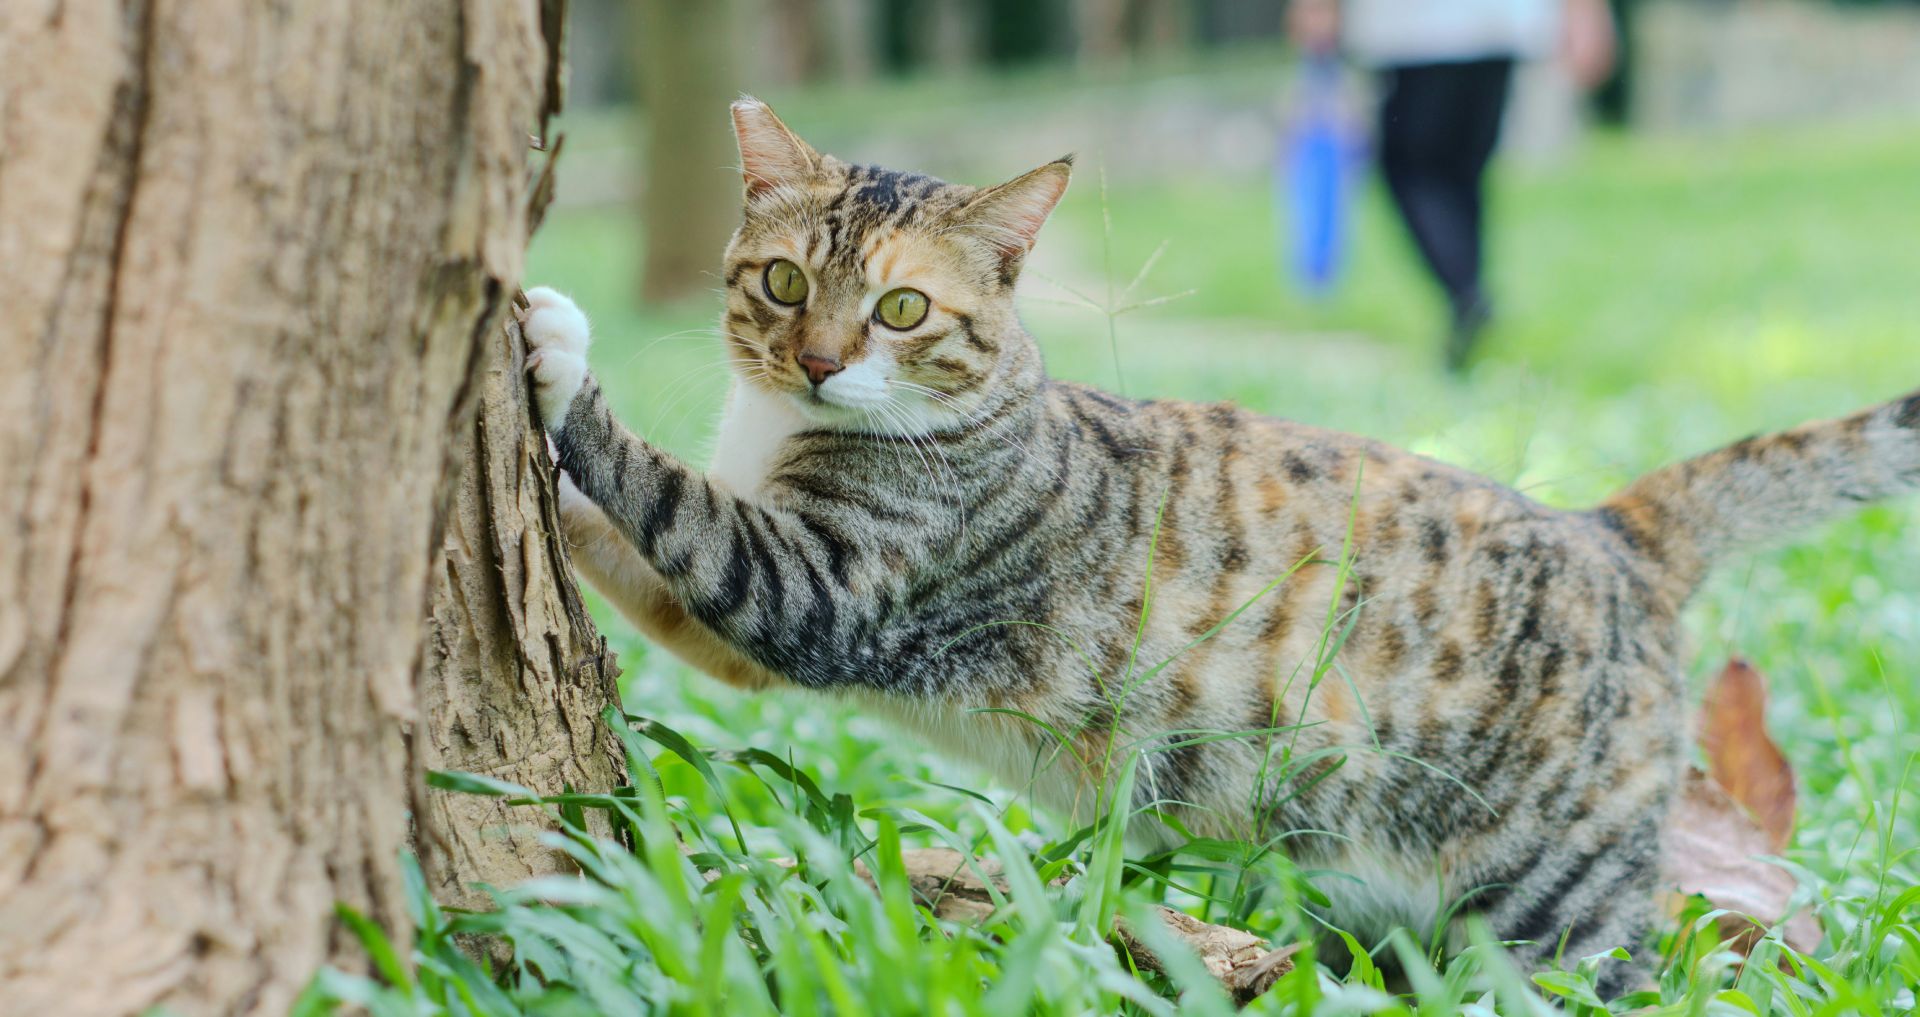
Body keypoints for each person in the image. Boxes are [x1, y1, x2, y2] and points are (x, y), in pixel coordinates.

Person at [1290, 0, 1616, 371]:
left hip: (1415, 28)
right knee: (1463, 172)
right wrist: (1586, 13)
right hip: (1500, 22)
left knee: (1413, 169)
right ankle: (1470, 304)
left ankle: (1466, 296)